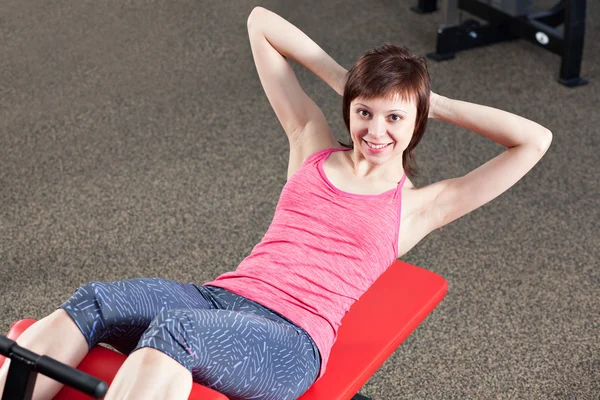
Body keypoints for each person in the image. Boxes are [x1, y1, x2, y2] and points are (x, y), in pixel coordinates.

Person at [0, 6, 552, 400]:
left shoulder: (421, 206)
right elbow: (261, 22)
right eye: (364, 112)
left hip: (293, 342)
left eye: (394, 118)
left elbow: (534, 140)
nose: (375, 130)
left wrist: (432, 100)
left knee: (174, 333)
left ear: (415, 124)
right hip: (220, 299)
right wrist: (352, 82)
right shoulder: (310, 142)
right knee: (96, 300)